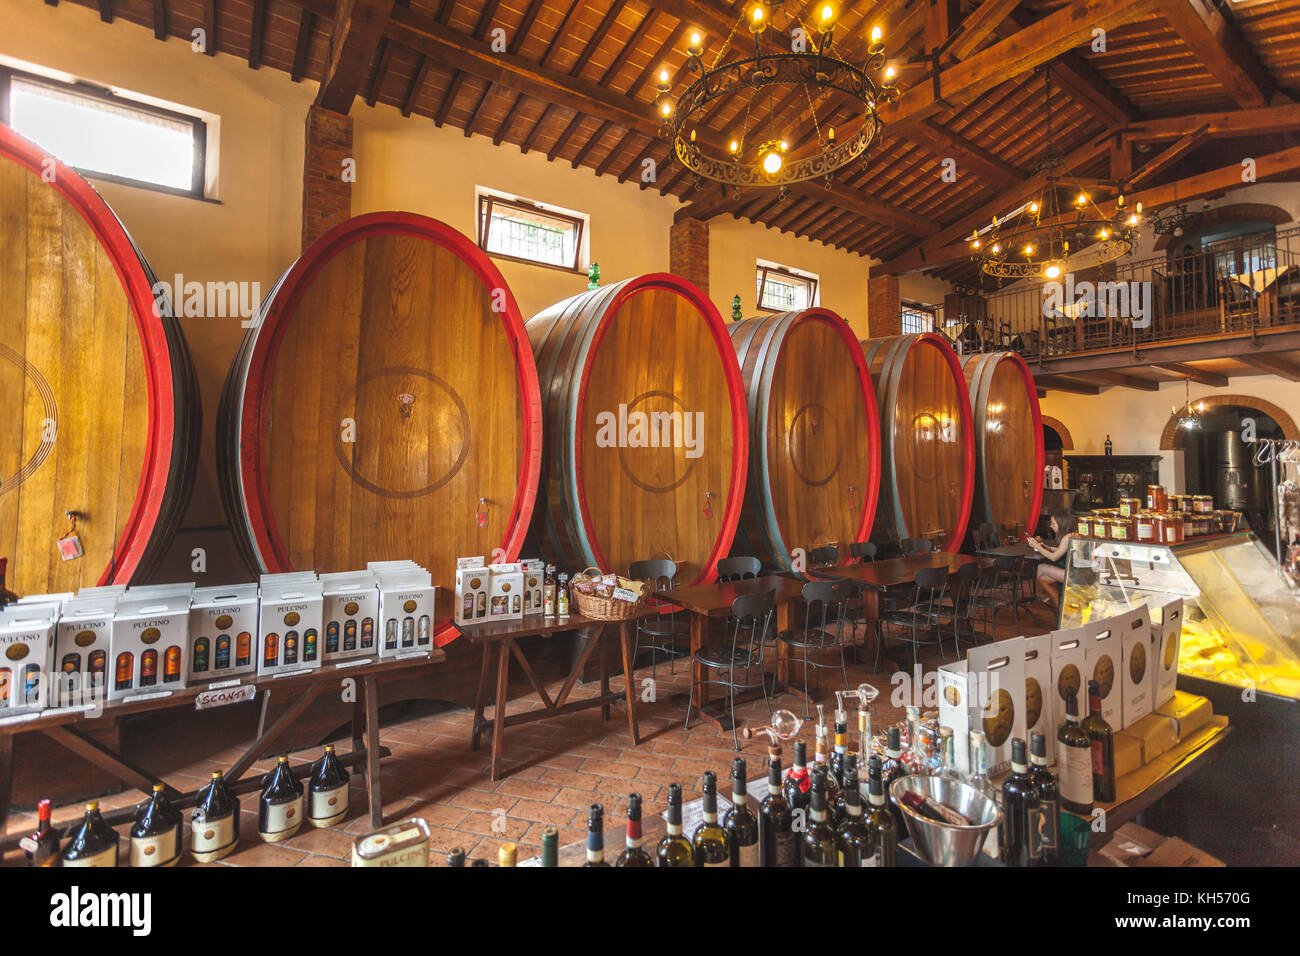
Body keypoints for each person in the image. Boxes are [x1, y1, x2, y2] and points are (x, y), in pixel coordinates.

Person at [1027, 511, 1077, 610]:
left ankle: (1040, 595)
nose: (1051, 526)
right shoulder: (1072, 535)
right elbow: (1062, 550)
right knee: (1043, 579)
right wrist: (1047, 547)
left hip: (1075, 575)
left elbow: (1054, 557)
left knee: (1041, 567)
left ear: (1061, 523)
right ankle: (1060, 607)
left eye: (1053, 523)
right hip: (1076, 571)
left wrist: (1037, 546)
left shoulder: (1067, 537)